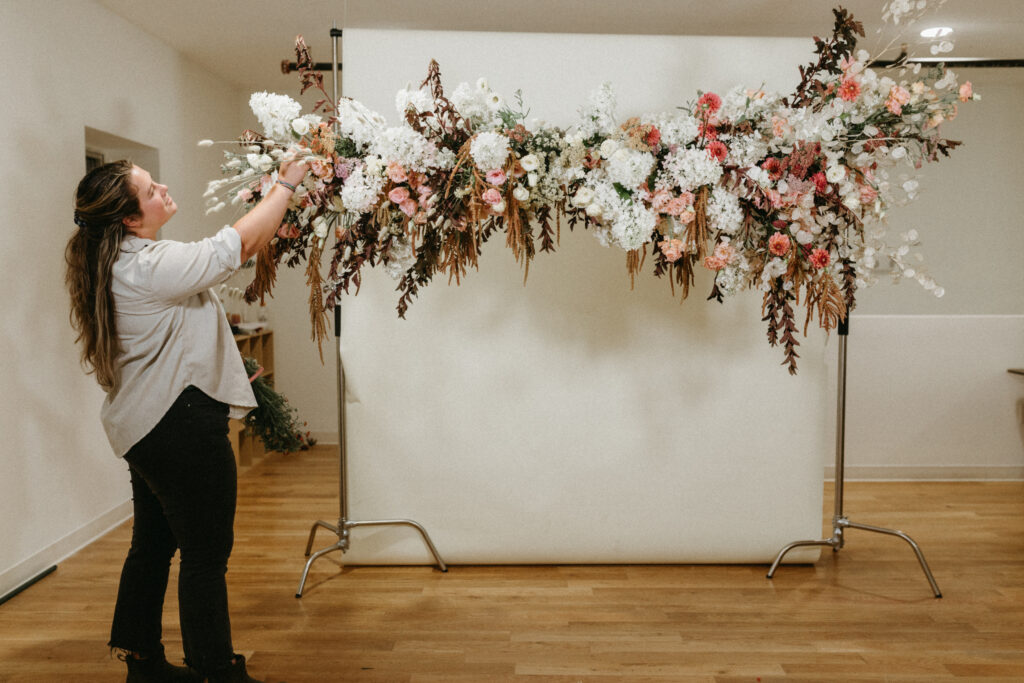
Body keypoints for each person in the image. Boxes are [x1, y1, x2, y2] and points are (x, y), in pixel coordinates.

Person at [65, 157, 308, 683]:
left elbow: (172, 334)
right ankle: (216, 670)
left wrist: (228, 367)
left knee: (152, 544)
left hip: (146, 426)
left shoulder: (120, 261)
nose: (164, 188)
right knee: (205, 553)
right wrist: (286, 183)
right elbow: (236, 247)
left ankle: (144, 663)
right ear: (129, 218)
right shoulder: (151, 265)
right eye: (151, 189)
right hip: (179, 425)